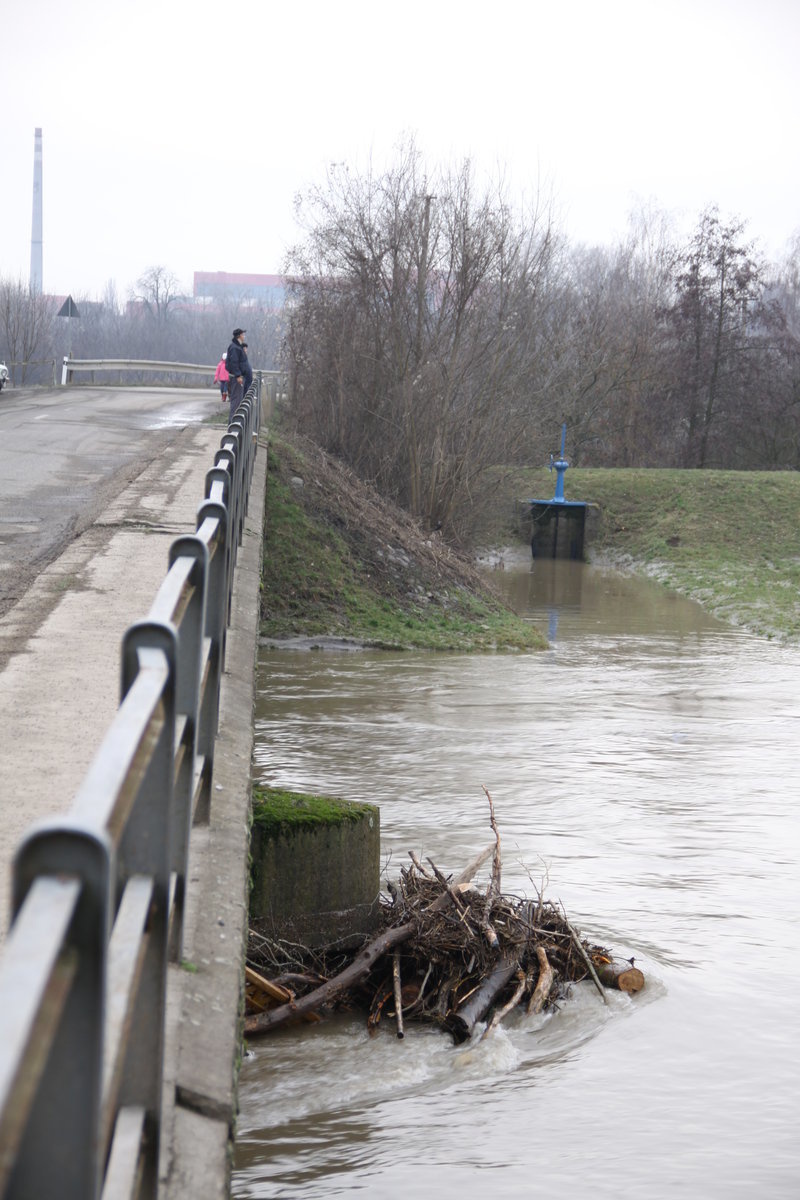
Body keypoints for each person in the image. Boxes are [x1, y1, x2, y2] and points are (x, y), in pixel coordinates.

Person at [226, 328, 247, 417]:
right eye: (243, 334)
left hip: (237, 376)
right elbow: (234, 362)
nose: (244, 336)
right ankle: (233, 425)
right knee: (236, 401)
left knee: (237, 400)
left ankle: (234, 424)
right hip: (236, 378)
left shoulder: (237, 347)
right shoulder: (235, 348)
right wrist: (238, 375)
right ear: (239, 336)